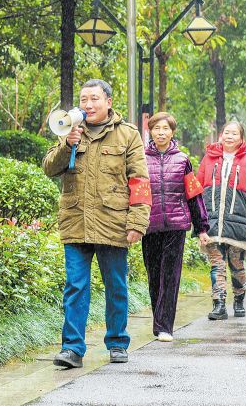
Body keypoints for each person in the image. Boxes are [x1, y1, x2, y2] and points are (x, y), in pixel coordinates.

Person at [42, 79, 151, 369]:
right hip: (76, 220)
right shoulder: (70, 130)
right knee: (75, 286)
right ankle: (72, 349)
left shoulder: (128, 135)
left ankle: (117, 342)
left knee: (116, 286)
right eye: (84, 99)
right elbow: (49, 168)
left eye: (94, 99)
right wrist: (67, 145)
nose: (88, 105)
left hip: (112, 221)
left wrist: (137, 222)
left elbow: (139, 181)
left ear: (108, 102)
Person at [143, 112, 209, 342]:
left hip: (176, 225)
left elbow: (194, 195)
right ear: (150, 131)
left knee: (170, 275)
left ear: (172, 132)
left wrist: (202, 228)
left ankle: (164, 326)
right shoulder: (140, 158)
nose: (161, 132)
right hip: (149, 226)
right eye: (157, 128)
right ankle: (158, 319)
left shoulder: (182, 160)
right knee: (154, 275)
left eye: (166, 129)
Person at [196, 121, 246, 320]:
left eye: (234, 133)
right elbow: (198, 188)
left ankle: (239, 298)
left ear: (241, 138)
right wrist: (196, 217)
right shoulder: (209, 159)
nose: (229, 136)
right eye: (226, 132)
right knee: (217, 264)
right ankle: (219, 304)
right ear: (221, 135)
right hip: (211, 222)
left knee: (236, 265)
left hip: (238, 222)